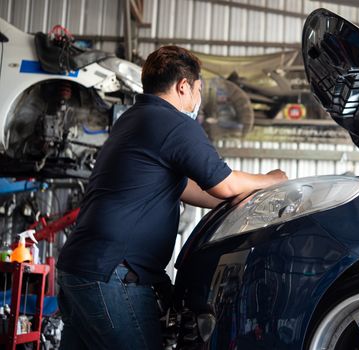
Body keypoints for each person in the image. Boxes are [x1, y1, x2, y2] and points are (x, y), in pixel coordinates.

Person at [56, 45, 287, 349]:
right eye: (197, 90)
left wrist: (240, 199)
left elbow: (193, 190)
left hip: (79, 270)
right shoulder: (174, 123)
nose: (197, 100)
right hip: (112, 274)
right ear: (183, 86)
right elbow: (223, 184)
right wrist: (272, 180)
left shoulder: (133, 120)